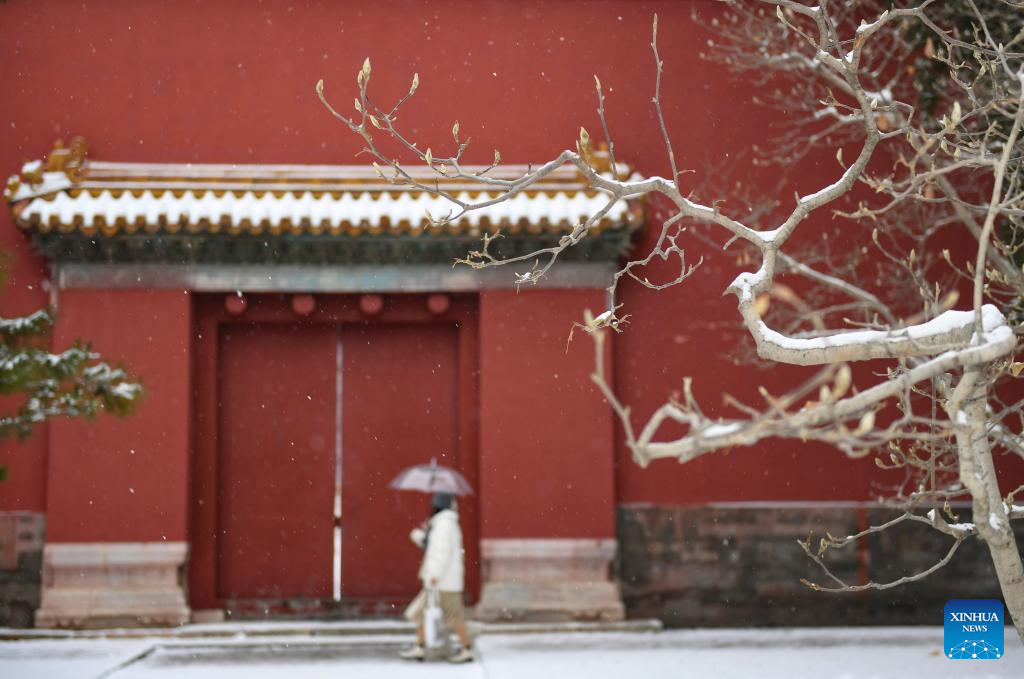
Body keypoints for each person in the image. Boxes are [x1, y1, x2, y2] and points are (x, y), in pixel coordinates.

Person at [399, 492, 473, 663]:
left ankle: (465, 648)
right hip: (445, 582)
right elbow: (434, 547)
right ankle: (419, 646)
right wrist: (422, 535)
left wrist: (434, 575)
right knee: (429, 613)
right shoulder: (443, 524)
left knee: (453, 616)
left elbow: (442, 553)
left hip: (443, 582)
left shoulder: (444, 525)